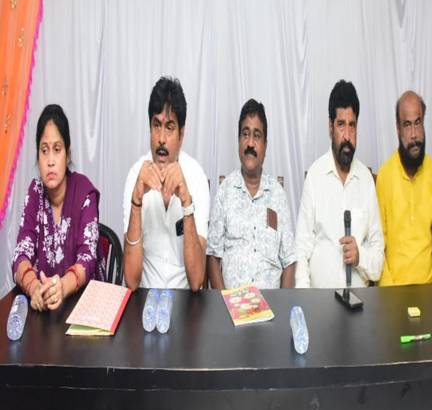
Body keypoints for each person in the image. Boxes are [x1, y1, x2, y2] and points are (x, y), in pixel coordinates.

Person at [122, 77, 210, 291]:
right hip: (145, 296)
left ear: (181, 134)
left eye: (169, 127)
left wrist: (187, 202)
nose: (161, 138)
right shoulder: (135, 174)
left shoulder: (196, 176)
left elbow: (197, 281)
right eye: (156, 125)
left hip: (186, 299)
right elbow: (131, 281)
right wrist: (136, 201)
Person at [12, 105, 100, 311]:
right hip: (44, 308)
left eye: (57, 150)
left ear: (67, 155)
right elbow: (21, 253)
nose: (50, 161)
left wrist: (62, 286)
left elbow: (87, 258)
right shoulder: (35, 193)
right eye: (44, 151)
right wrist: (33, 287)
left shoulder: (84, 193)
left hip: (84, 307)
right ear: (38, 156)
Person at [295, 81, 383, 288]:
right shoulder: (315, 176)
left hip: (360, 302)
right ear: (330, 127)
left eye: (352, 125)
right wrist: (305, 299)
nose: (347, 136)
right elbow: (301, 250)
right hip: (320, 302)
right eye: (341, 125)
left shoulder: (366, 180)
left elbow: (378, 262)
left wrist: (360, 256)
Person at [207, 99, 296, 291]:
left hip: (272, 304)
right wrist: (224, 302)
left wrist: (283, 302)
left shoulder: (278, 195)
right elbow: (213, 257)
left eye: (257, 136)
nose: (250, 143)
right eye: (245, 134)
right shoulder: (225, 191)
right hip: (232, 304)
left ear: (265, 145)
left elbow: (289, 262)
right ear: (238, 140)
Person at [377, 91, 432, 286]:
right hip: (393, 290)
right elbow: (378, 248)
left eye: (417, 123)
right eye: (407, 125)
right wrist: (390, 293)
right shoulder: (385, 176)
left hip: (429, 290)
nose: (413, 134)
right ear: (398, 129)